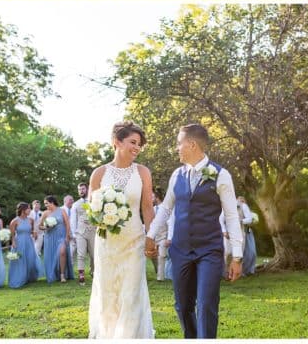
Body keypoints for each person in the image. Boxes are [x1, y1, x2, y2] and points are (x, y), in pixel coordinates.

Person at [146, 123, 243, 339]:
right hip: (180, 250)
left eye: (179, 144)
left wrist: (237, 255)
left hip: (209, 250)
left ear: (191, 144)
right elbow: (165, 209)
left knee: (207, 304)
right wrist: (151, 235)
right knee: (182, 306)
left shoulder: (221, 175)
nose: (177, 149)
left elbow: (231, 216)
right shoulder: (176, 175)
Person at [88, 121, 155, 338]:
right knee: (108, 294)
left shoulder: (143, 172)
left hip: (134, 241)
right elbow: (92, 210)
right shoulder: (99, 174)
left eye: (139, 144)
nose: (137, 147)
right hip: (107, 244)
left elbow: (147, 207)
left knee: (131, 294)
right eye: (132, 142)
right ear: (117, 141)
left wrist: (150, 237)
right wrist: (104, 218)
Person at [7, 202, 40, 288]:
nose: (30, 210)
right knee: (20, 260)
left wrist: (34, 234)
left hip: (29, 242)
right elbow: (12, 234)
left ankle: (29, 277)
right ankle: (20, 278)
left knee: (30, 259)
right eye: (28, 208)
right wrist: (13, 242)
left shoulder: (31, 220)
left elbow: (32, 231)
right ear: (23, 210)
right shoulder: (14, 221)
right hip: (19, 242)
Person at [40, 194, 69, 283]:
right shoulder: (45, 213)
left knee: (62, 252)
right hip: (49, 238)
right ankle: (54, 273)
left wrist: (67, 236)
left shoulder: (62, 211)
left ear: (52, 202)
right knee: (52, 256)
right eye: (45, 204)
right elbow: (40, 226)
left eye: (47, 203)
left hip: (61, 236)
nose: (46, 205)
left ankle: (62, 275)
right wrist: (46, 227)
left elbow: (67, 224)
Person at [70, 183, 95, 284]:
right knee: (81, 255)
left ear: (87, 189)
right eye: (79, 189)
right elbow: (73, 220)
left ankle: (94, 272)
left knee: (94, 255)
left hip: (93, 231)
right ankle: (81, 276)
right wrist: (74, 234)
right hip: (80, 232)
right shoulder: (75, 204)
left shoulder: (94, 201)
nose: (81, 191)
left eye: (83, 189)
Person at [236, 195, 257, 276]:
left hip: (248, 233)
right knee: (241, 253)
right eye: (239, 200)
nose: (240, 202)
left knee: (252, 252)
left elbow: (252, 221)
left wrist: (242, 221)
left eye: (242, 200)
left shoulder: (249, 212)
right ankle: (241, 271)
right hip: (239, 233)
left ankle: (250, 270)